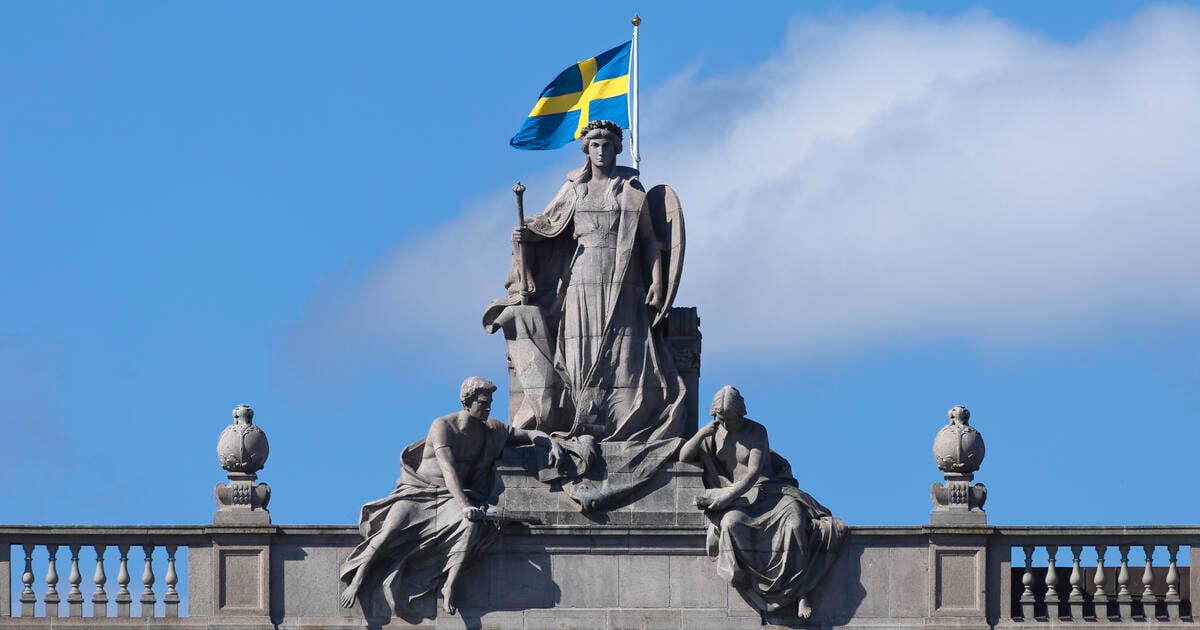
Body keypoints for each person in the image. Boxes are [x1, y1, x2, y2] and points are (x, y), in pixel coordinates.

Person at [484, 119, 686, 441]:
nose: (601, 151)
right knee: (581, 347)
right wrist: (524, 235)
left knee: (626, 349)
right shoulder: (574, 190)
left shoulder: (632, 191)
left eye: (607, 145)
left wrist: (657, 283)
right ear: (586, 150)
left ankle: (620, 418)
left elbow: (649, 240)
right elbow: (549, 225)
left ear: (617, 149)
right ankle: (583, 416)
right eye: (595, 145)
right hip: (583, 274)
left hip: (625, 278)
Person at [338, 377, 561, 619]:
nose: (488, 408)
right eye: (483, 403)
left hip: (452, 498)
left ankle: (450, 585)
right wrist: (465, 505)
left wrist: (550, 442)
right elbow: (448, 469)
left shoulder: (492, 430)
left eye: (490, 404)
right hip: (419, 493)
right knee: (389, 531)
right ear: (467, 402)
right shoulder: (443, 426)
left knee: (470, 526)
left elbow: (525, 435)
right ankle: (357, 579)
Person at [679, 386, 847, 619]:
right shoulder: (713, 434)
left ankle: (800, 592)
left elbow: (753, 473)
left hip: (771, 493)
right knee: (730, 525)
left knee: (797, 524)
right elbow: (683, 456)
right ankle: (750, 583)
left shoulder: (756, 431)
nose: (726, 422)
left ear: (741, 413)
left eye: (730, 417)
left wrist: (726, 497)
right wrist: (701, 434)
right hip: (741, 501)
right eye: (721, 418)